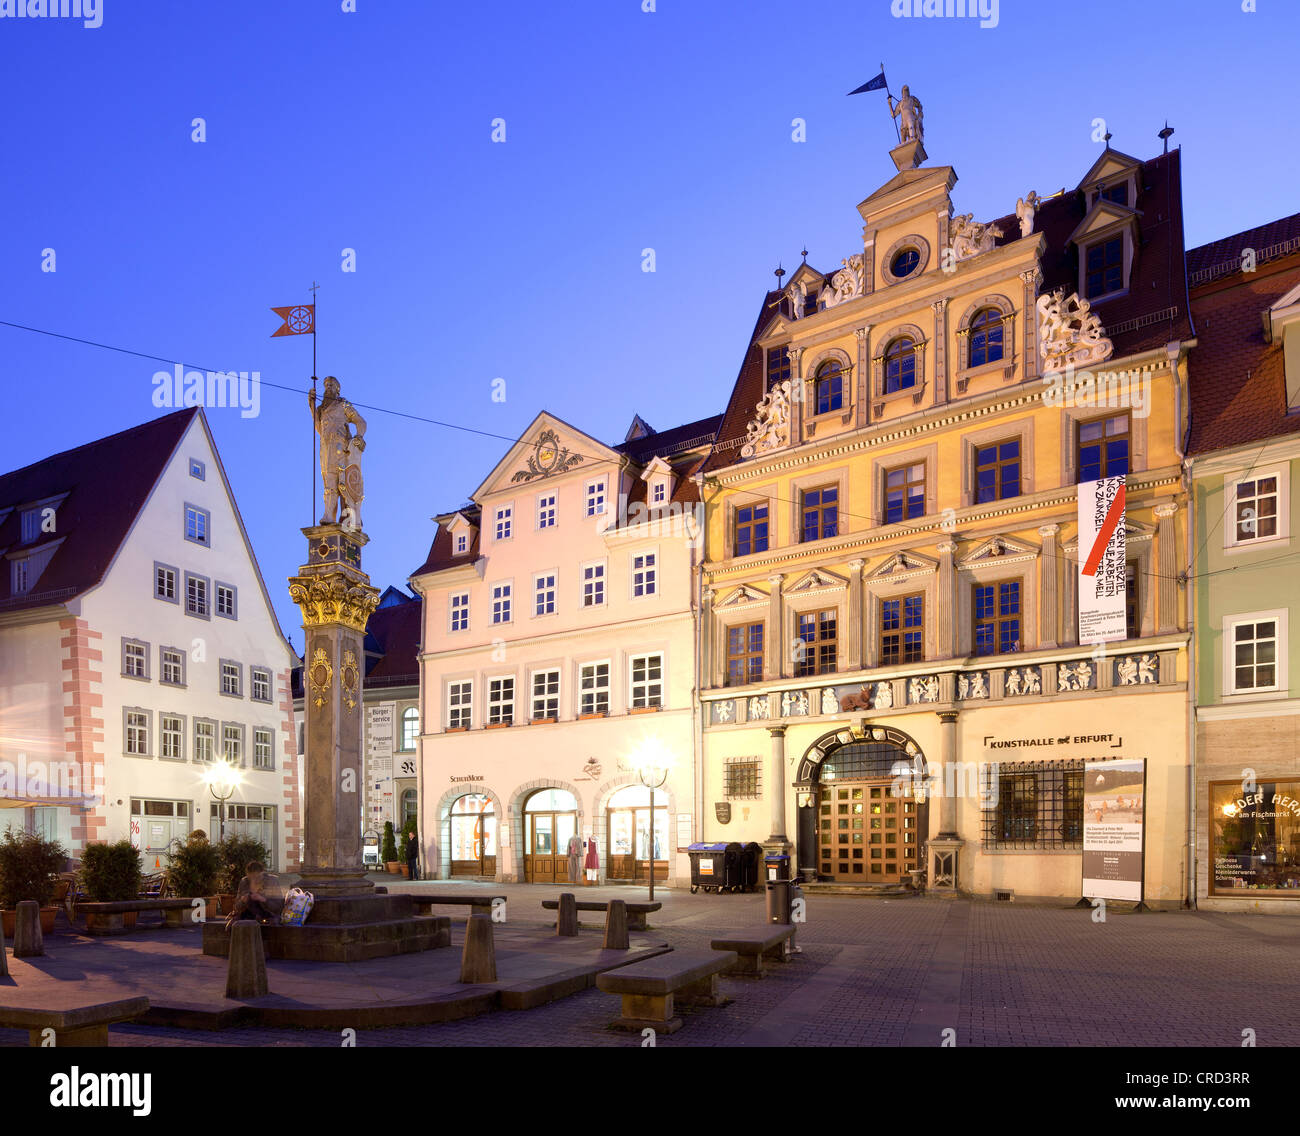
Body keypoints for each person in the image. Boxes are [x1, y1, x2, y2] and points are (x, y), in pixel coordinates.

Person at [226, 861, 283, 928]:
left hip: (268, 915)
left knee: (272, 924)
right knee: (233, 925)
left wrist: (263, 899)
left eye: (257, 877)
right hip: (249, 916)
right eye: (251, 877)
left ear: (262, 873)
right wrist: (242, 901)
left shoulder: (272, 881)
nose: (255, 880)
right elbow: (236, 907)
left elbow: (279, 907)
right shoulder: (244, 882)